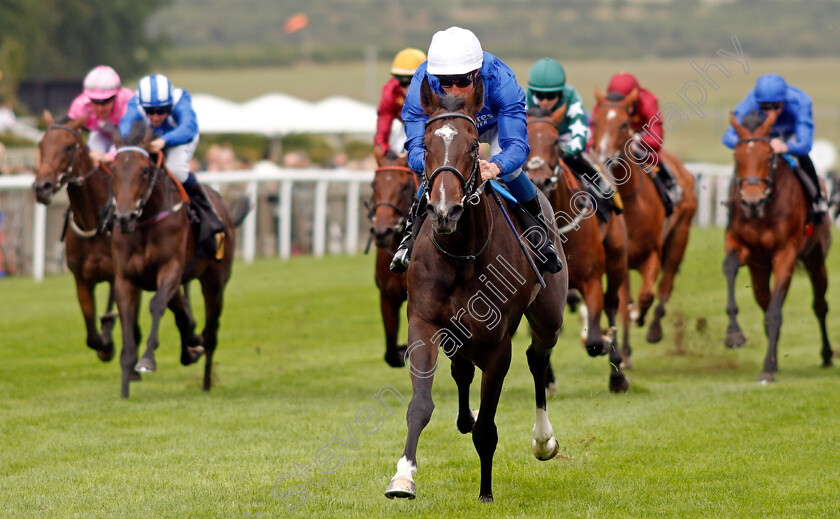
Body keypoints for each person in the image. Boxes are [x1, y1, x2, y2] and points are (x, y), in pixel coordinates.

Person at [390, 26, 561, 275]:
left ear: (477, 72)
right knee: (438, 166)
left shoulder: (502, 80)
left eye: (462, 81)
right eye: (446, 83)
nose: (455, 91)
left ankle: (539, 238)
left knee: (511, 173)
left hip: (493, 125)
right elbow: (416, 146)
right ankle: (408, 242)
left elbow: (517, 145)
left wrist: (496, 165)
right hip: (448, 127)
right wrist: (432, 163)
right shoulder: (423, 81)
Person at [119, 74, 224, 259]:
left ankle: (209, 214)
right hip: (149, 140)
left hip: (180, 139)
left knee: (176, 170)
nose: (156, 116)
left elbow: (188, 127)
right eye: (150, 111)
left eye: (162, 110)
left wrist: (164, 140)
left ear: (170, 104)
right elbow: (125, 127)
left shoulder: (180, 99)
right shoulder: (135, 103)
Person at [526, 57, 620, 222]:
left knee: (576, 158)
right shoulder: (524, 99)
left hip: (564, 139)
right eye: (539, 96)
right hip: (536, 143)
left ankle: (601, 187)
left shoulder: (571, 96)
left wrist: (564, 151)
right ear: (532, 92)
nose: (545, 102)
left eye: (551, 95)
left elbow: (580, 134)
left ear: (561, 92)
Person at [722, 73, 826, 222]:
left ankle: (817, 200)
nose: (770, 112)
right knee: (747, 160)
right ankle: (732, 204)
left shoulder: (801, 101)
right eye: (764, 107)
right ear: (758, 102)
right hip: (761, 138)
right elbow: (728, 137)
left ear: (784, 101)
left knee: (803, 159)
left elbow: (805, 145)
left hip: (790, 137)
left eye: (775, 107)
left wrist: (786, 147)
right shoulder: (750, 101)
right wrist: (751, 144)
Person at [591, 72, 680, 215]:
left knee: (652, 157)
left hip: (640, 141)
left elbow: (656, 141)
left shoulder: (648, 101)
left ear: (635, 99)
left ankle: (668, 186)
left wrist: (636, 139)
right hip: (615, 144)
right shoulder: (605, 104)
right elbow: (593, 136)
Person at [67, 66, 135, 163]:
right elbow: (69, 133)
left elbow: (130, 136)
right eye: (95, 101)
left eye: (106, 101)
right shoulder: (80, 106)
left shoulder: (128, 102)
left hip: (126, 137)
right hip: (101, 135)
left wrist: (110, 156)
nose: (100, 108)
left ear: (116, 95)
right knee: (92, 158)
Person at [374, 48, 427, 159]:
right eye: (403, 83)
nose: (408, 89)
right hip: (407, 127)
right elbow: (381, 133)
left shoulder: (436, 88)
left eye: (413, 81)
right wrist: (385, 151)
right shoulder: (390, 91)